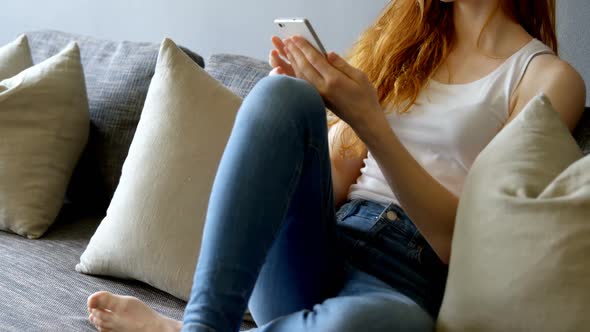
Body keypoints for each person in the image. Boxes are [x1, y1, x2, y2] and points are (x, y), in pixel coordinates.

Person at [85, 0, 586, 331]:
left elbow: (462, 243)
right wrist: (295, 118)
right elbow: (336, 179)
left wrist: (372, 123)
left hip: (408, 284)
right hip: (317, 253)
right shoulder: (402, 43)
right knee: (280, 93)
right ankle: (204, 323)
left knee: (371, 327)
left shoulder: (548, 79)